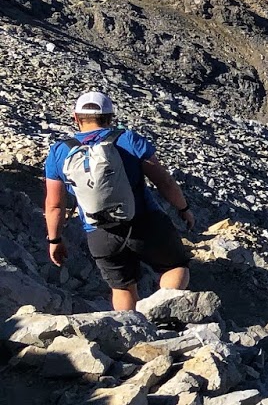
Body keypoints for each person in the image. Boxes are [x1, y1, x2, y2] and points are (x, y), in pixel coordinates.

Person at [43, 90, 197, 311]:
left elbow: (55, 205)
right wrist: (184, 208)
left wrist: (54, 240)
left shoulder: (59, 152)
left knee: (122, 288)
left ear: (75, 118)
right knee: (175, 266)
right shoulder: (127, 139)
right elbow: (164, 181)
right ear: (110, 118)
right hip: (145, 222)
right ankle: (165, 317)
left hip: (100, 233)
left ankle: (130, 333)